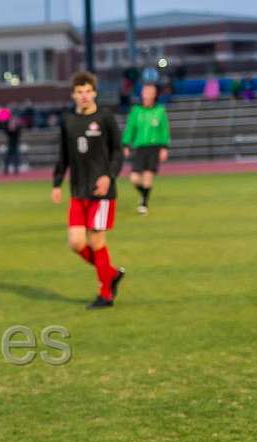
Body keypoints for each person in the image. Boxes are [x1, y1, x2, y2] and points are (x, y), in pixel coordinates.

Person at [51, 71, 126, 309]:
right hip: (78, 191)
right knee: (76, 243)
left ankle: (105, 294)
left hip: (101, 193)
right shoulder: (69, 121)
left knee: (96, 241)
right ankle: (111, 273)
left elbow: (117, 152)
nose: (84, 96)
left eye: (88, 91)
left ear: (94, 93)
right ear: (73, 95)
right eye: (79, 92)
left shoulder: (105, 118)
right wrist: (56, 183)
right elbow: (63, 155)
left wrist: (108, 176)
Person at [123, 83, 170, 215]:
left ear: (155, 94)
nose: (148, 94)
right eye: (145, 92)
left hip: (154, 147)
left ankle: (144, 204)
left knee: (148, 175)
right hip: (139, 147)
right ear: (142, 93)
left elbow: (164, 130)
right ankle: (144, 194)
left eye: (151, 92)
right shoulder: (136, 111)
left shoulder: (160, 110)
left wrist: (164, 147)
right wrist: (125, 144)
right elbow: (130, 128)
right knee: (134, 178)